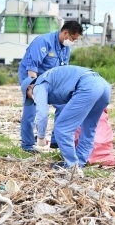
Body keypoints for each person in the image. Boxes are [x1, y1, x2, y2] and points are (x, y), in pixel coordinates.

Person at [21, 65, 111, 173]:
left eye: (30, 96)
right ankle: (79, 163)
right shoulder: (51, 79)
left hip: (88, 86)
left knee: (62, 128)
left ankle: (72, 167)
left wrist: (41, 138)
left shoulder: (38, 85)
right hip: (103, 85)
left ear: (29, 87)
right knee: (89, 129)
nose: (32, 98)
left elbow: (42, 114)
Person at [17, 21, 83, 153]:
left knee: (63, 106)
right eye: (73, 39)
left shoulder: (66, 48)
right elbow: (32, 67)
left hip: (50, 81)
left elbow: (63, 71)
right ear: (66, 33)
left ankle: (56, 141)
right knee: (32, 109)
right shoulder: (43, 42)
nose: (73, 42)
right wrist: (32, 87)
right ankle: (28, 145)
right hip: (31, 77)